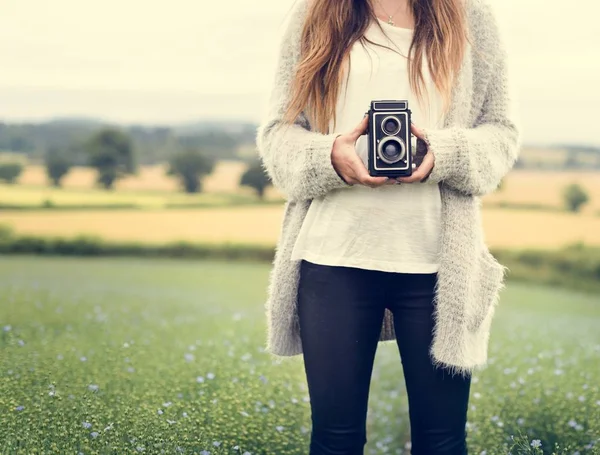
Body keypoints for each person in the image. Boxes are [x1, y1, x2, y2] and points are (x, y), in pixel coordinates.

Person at [255, 0, 520, 453]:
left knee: (442, 441)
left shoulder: (470, 16)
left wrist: (445, 153)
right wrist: (329, 157)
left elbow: (501, 133)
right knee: (335, 439)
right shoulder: (315, 15)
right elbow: (279, 136)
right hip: (333, 256)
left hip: (440, 265)